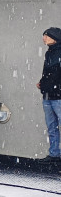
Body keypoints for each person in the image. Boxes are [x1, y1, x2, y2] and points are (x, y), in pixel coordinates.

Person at [38, 27, 61, 164]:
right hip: (48, 95)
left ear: (55, 38)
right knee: (51, 126)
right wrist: (42, 83)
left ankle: (54, 154)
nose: (44, 38)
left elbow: (54, 73)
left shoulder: (57, 53)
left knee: (53, 126)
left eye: (46, 36)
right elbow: (47, 72)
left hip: (57, 96)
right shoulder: (50, 53)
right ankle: (54, 154)